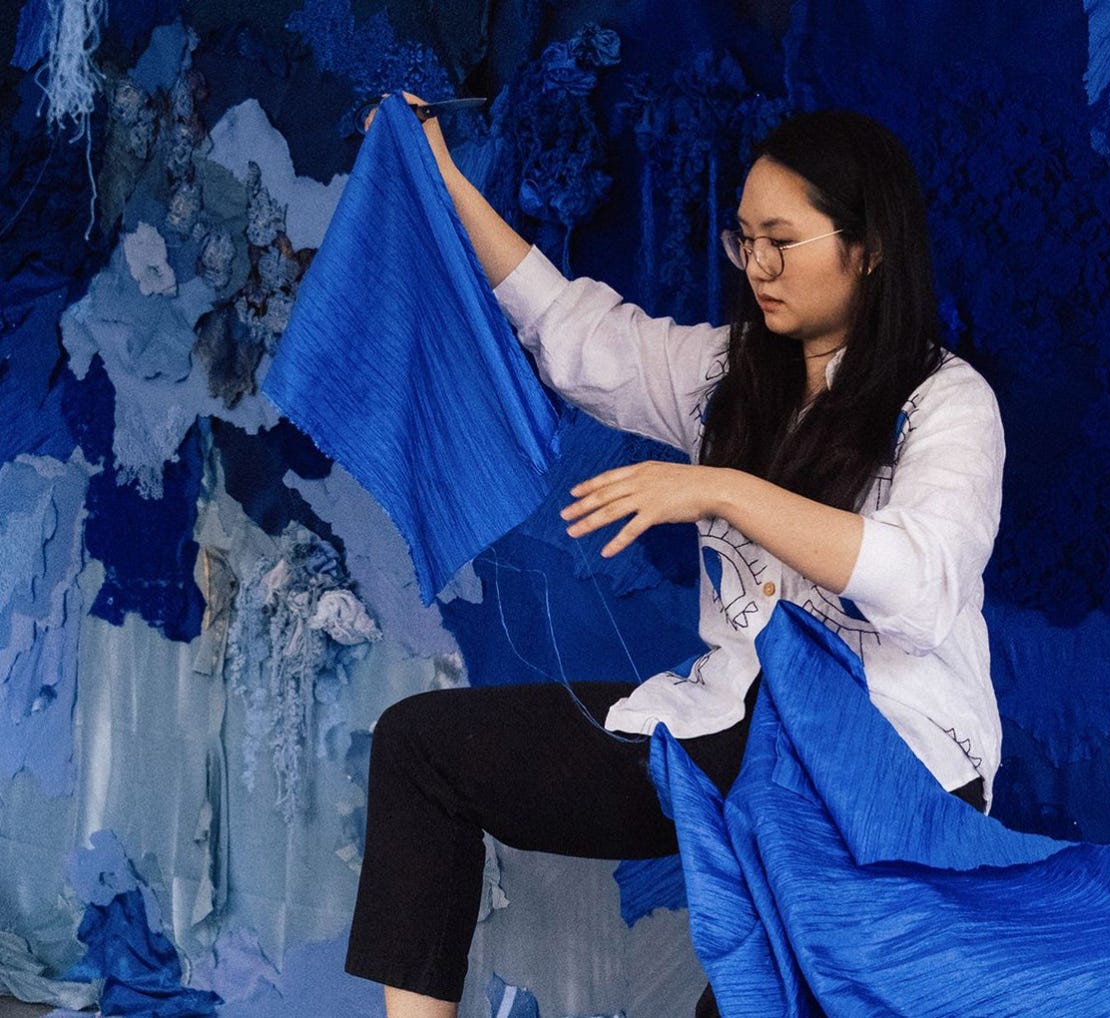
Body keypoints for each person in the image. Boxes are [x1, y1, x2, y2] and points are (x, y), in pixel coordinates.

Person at [343, 95, 1006, 1018]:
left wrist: (721, 490)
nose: (758, 267)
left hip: (888, 771)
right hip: (730, 729)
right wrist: (441, 174)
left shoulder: (946, 404)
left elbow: (920, 584)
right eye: (746, 241)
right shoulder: (729, 375)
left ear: (870, 248)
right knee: (422, 750)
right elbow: (572, 331)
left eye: (783, 242)